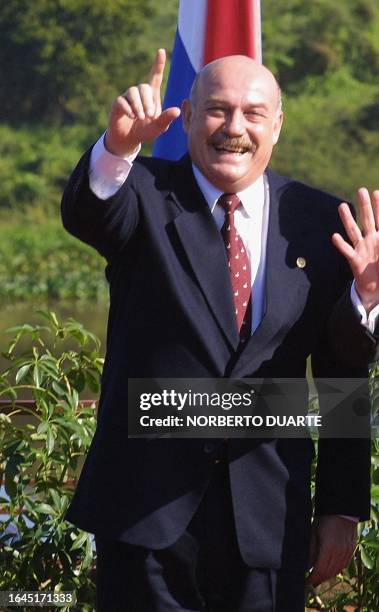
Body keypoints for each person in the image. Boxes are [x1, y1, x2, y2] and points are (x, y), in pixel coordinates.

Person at [62, 50, 379, 611]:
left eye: (253, 114)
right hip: (145, 518)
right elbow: (91, 213)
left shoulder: (320, 223)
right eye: (216, 110)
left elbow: (341, 376)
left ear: (277, 125)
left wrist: (340, 507)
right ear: (185, 119)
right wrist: (116, 149)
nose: (234, 128)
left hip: (267, 520)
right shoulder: (143, 192)